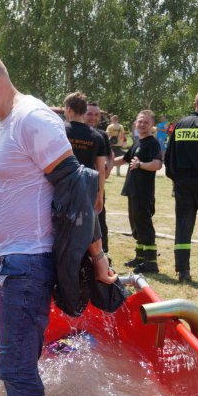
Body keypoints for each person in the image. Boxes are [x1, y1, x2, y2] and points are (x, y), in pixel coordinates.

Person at [0, 50, 112, 396]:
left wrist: (98, 255)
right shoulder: (5, 122)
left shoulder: (32, 118)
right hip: (7, 259)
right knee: (15, 364)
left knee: (17, 369)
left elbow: (76, 191)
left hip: (27, 262)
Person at [113, 110, 163, 273]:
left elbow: (157, 164)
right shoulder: (137, 142)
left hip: (143, 192)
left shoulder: (152, 143)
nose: (142, 125)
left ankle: (151, 262)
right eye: (140, 121)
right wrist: (105, 163)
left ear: (151, 125)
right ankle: (140, 257)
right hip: (133, 190)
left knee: (144, 225)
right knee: (136, 225)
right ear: (135, 123)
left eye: (146, 122)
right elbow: (124, 159)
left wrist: (141, 165)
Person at [165, 90, 198, 282]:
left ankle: (183, 271)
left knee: (183, 227)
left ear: (195, 103)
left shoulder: (180, 124)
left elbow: (168, 156)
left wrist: (176, 179)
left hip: (183, 183)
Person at [64, 92, 106, 213]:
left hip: (62, 186)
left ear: (69, 109)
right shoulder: (97, 136)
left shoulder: (60, 130)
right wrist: (100, 195)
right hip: (87, 187)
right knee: (83, 227)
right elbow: (101, 170)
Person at [85, 101, 114, 261]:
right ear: (83, 113)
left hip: (95, 187)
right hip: (77, 186)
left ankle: (104, 256)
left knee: (99, 221)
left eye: (96, 114)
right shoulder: (75, 132)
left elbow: (110, 156)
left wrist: (108, 167)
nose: (93, 117)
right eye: (90, 113)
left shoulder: (102, 135)